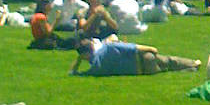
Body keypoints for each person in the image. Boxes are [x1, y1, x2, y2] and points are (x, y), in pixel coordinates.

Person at [72, 37, 201, 77]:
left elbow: (74, 73)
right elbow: (132, 47)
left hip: (142, 71)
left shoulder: (96, 68)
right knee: (168, 60)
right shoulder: (109, 47)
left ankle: (190, 69)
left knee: (167, 69)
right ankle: (192, 64)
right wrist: (151, 48)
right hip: (144, 59)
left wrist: (78, 61)